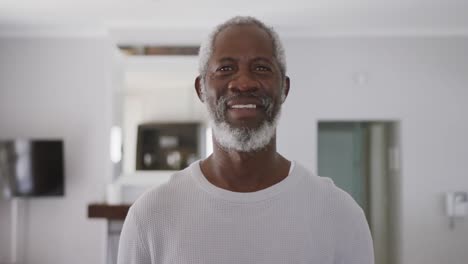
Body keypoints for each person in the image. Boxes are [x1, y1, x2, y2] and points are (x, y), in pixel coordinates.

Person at [117, 16, 374, 264]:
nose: (243, 83)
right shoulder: (150, 216)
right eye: (225, 68)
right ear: (201, 89)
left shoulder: (339, 214)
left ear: (284, 88)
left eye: (261, 68)